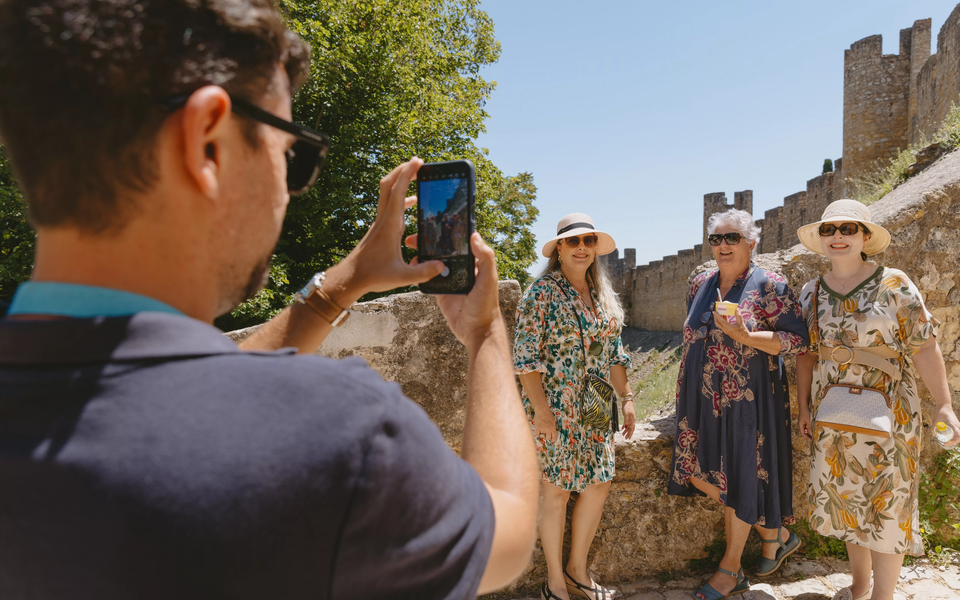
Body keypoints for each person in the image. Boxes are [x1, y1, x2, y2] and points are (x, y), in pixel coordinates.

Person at [0, 0, 540, 597]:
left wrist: (345, 282)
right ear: (207, 141)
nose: (287, 192)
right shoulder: (337, 438)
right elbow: (509, 530)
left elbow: (182, 395)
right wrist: (486, 333)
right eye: (292, 155)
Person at [795, 199, 960, 600]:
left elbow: (924, 347)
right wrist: (803, 407)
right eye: (829, 229)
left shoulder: (895, 284)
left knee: (888, 505)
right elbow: (807, 355)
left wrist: (944, 405)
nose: (838, 236)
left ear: (865, 237)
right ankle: (859, 587)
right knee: (847, 503)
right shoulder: (811, 292)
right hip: (833, 413)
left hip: (891, 411)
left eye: (848, 229)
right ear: (821, 238)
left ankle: (882, 597)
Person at [668, 209, 809, 600]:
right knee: (693, 471)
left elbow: (798, 341)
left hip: (749, 400)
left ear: (751, 242)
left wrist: (747, 335)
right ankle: (773, 532)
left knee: (740, 473)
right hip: (700, 400)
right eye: (716, 239)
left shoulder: (770, 286)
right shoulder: (700, 282)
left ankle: (731, 570)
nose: (723, 246)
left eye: (732, 238)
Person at [514, 213, 636, 600]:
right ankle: (554, 581)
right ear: (560, 249)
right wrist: (543, 412)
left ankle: (577, 572)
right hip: (556, 403)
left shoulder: (601, 295)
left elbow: (614, 353)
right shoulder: (542, 292)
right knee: (556, 491)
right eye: (573, 242)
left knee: (598, 483)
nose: (581, 248)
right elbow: (525, 359)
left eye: (588, 241)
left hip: (597, 401)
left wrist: (627, 398)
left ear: (595, 247)